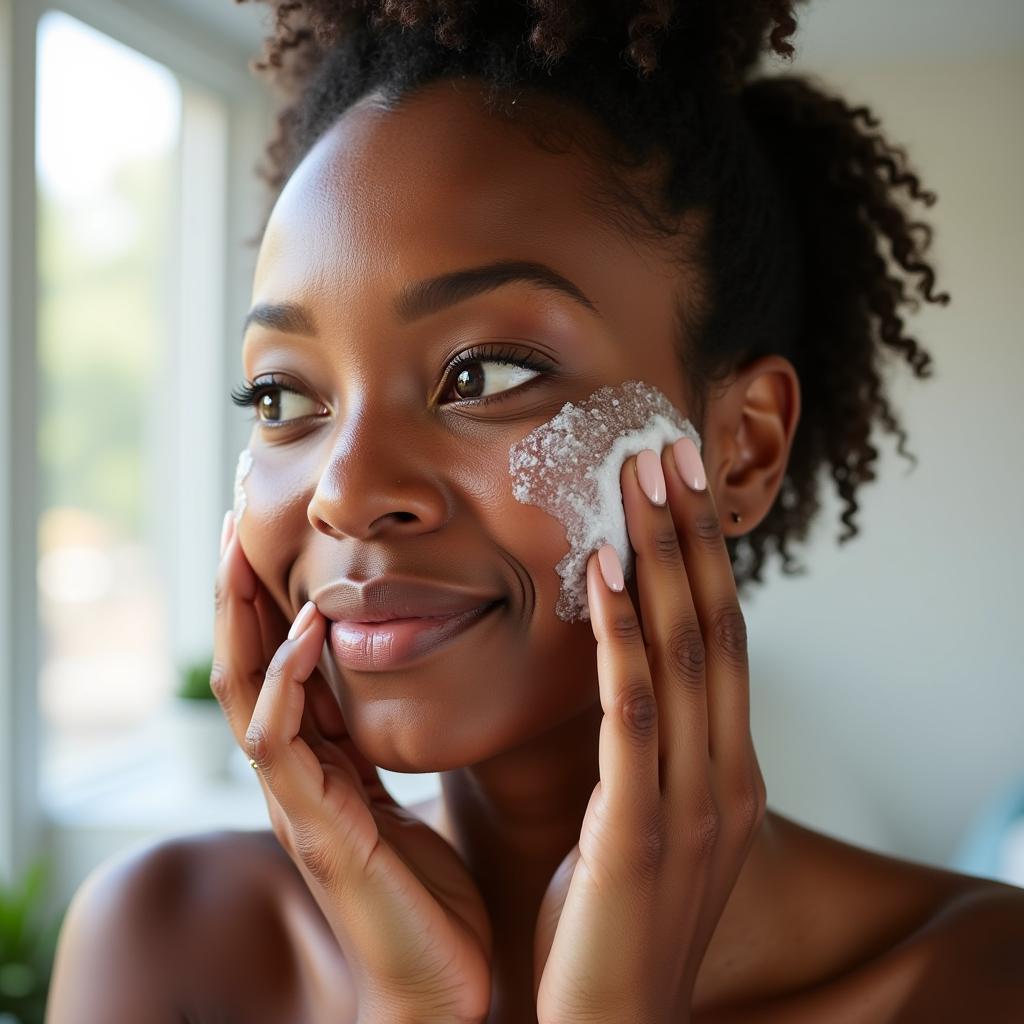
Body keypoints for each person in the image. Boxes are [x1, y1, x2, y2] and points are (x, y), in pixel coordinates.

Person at [46, 2, 1024, 1021]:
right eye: (284, 398)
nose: (346, 492)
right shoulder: (166, 942)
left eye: (485, 372)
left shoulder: (980, 984)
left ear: (745, 446)